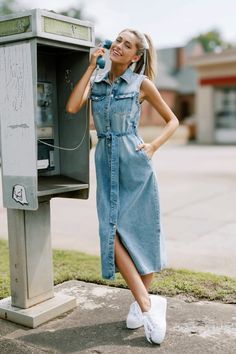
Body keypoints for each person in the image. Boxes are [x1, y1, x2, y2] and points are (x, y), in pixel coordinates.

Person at [66, 29, 179, 345]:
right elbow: (73, 107)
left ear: (136, 56)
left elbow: (172, 120)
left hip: (134, 161)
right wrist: (91, 66)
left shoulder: (142, 84)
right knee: (110, 231)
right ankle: (148, 302)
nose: (118, 46)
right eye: (117, 40)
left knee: (143, 232)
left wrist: (154, 146)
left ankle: (141, 302)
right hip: (105, 158)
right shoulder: (97, 81)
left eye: (127, 45)